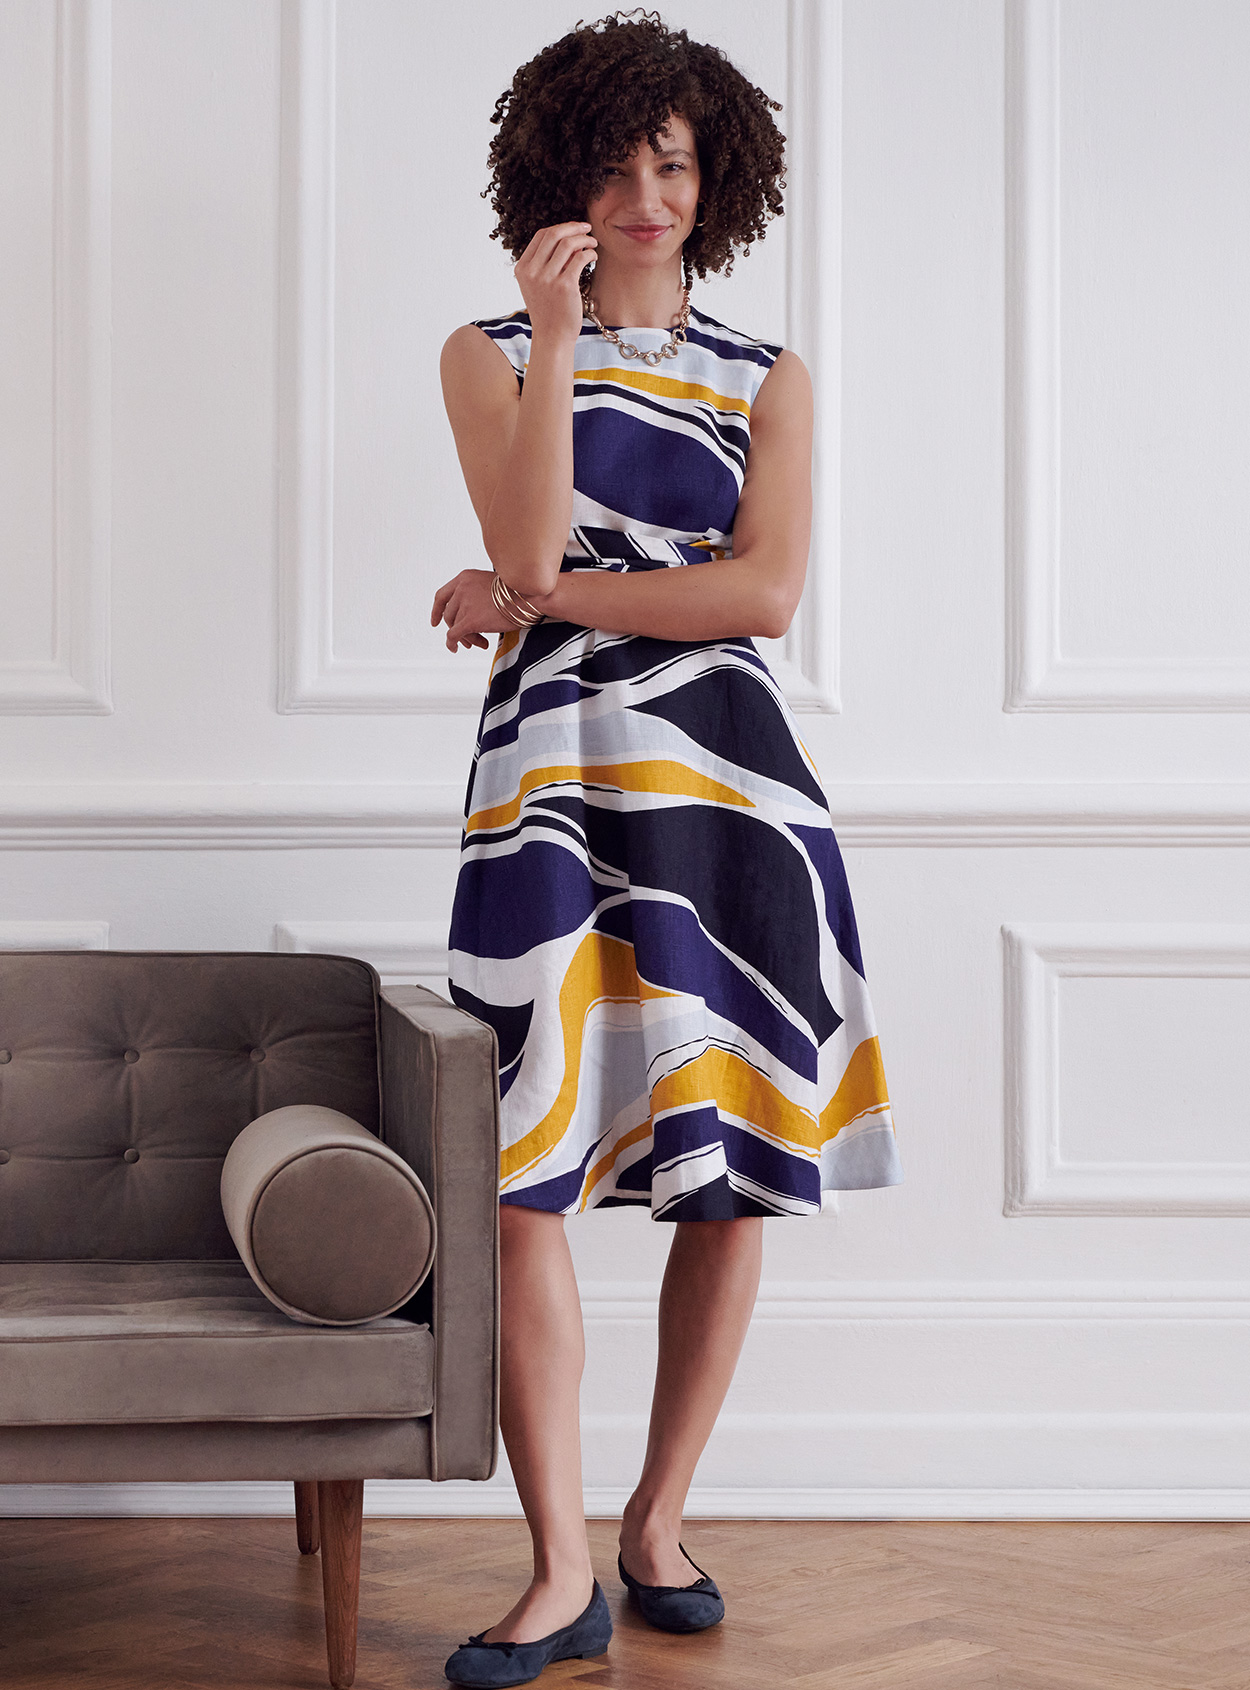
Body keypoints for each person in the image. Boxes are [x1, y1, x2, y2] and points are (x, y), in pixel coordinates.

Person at [430, 12, 903, 1686]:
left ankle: (656, 1519)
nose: (647, 189)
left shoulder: (766, 372)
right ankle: (557, 1569)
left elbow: (758, 598)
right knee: (518, 1169)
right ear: (560, 170)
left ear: (717, 183)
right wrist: (556, 340)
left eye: (677, 161)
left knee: (731, 1169)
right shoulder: (486, 350)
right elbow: (523, 533)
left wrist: (543, 602)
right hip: (548, 785)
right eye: (619, 158)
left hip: (732, 794)